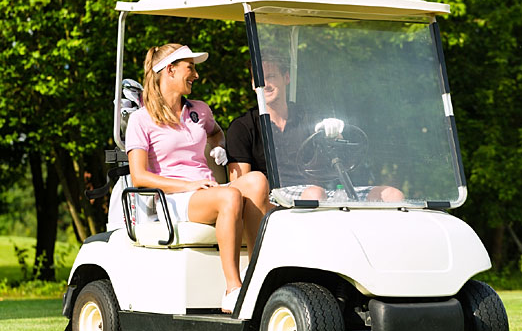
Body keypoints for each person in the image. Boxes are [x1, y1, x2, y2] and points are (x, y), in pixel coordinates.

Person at [125, 43, 270, 313]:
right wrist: (188, 185)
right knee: (230, 196)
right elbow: (139, 176)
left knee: (258, 181)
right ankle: (233, 289)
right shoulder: (141, 120)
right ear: (169, 70)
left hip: (205, 191)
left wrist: (217, 146)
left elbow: (215, 133)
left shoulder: (199, 111)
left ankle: (257, 275)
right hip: (172, 199)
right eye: (190, 68)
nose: (196, 75)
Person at [226, 55, 404, 203]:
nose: (265, 84)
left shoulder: (308, 117)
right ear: (252, 84)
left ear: (286, 77)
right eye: (258, 78)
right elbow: (241, 187)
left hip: (321, 192)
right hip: (277, 199)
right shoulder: (242, 127)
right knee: (315, 194)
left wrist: (336, 135)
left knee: (392, 195)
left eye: (271, 76)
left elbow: (341, 160)